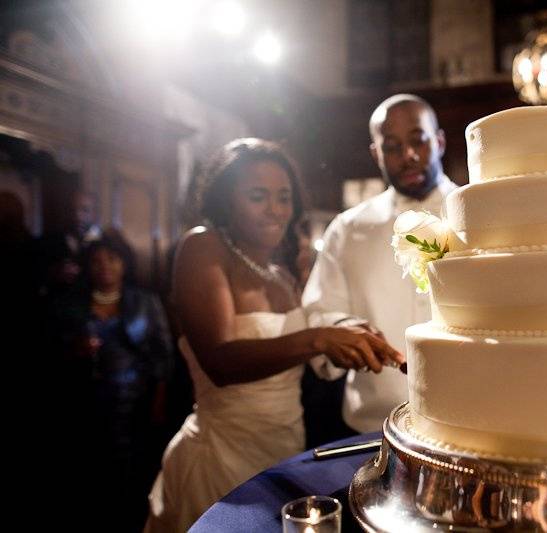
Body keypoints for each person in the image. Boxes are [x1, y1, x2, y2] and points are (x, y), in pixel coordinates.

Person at [144, 139, 403, 532]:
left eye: (283, 197)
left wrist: (344, 339)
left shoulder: (281, 275)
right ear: (226, 201)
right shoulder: (202, 246)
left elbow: (292, 353)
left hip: (284, 446)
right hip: (221, 453)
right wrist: (317, 339)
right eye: (257, 196)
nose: (275, 210)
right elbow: (219, 361)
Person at [302, 94, 458, 435]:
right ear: (376, 153)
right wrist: (343, 329)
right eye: (392, 147)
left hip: (473, 421)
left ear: (440, 141)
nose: (409, 156)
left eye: (419, 141)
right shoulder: (347, 228)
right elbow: (321, 309)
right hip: (372, 429)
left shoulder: (481, 217)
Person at [45, 229, 173, 531]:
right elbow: (49, 353)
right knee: (91, 479)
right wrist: (73, 348)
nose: (105, 266)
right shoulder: (70, 305)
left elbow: (163, 356)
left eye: (112, 259)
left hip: (135, 404)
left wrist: (159, 401)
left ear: (124, 263)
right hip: (85, 406)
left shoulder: (145, 301)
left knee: (134, 477)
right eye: (97, 260)